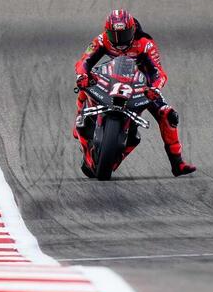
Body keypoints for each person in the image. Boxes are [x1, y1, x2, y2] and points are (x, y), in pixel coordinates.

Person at [74, 9, 196, 177]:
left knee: (168, 115)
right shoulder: (101, 39)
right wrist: (82, 75)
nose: (119, 41)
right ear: (107, 31)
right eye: (114, 35)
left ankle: (177, 163)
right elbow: (84, 61)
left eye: (123, 34)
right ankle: (79, 117)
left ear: (132, 30)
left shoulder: (145, 43)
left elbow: (158, 72)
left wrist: (154, 88)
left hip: (140, 85)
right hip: (111, 77)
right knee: (85, 82)